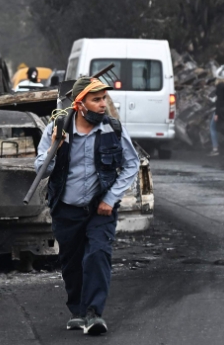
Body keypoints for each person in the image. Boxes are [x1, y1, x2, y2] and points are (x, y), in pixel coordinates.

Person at [35, 77, 140, 336]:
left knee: (97, 255)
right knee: (71, 263)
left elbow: (131, 164)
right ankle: (78, 312)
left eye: (104, 98)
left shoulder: (112, 129)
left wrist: (110, 198)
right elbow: (41, 168)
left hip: (99, 209)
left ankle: (94, 313)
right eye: (96, 99)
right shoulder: (56, 128)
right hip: (66, 209)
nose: (103, 104)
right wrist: (54, 146)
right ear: (80, 104)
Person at [209, 65, 224, 158]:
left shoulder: (220, 86)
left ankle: (215, 150)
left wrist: (216, 113)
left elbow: (219, 101)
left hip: (222, 110)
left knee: (212, 128)